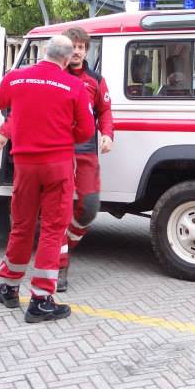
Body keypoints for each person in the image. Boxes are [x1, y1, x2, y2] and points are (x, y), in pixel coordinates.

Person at [0, 35, 94, 323]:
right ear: (68, 59)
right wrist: (61, 133)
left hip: (24, 166)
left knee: (21, 225)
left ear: (44, 51)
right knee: (53, 230)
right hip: (57, 165)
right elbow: (85, 131)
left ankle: (8, 286)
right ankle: (41, 300)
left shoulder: (16, 78)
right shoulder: (75, 86)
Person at [57, 26, 115, 292]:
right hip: (58, 151)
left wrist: (108, 135)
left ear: (86, 50)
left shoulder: (96, 80)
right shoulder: (55, 76)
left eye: (81, 47)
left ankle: (66, 241)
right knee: (60, 210)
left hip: (87, 151)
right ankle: (60, 266)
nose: (77, 51)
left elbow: (104, 111)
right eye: (73, 46)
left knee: (89, 207)